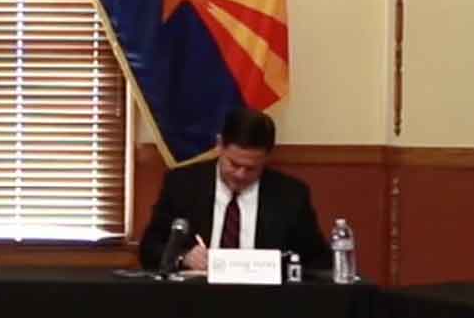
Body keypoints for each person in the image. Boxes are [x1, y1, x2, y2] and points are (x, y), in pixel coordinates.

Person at [139, 105, 330, 274]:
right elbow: (149, 249)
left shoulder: (290, 195)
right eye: (233, 164)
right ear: (220, 145)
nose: (240, 174)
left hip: (266, 302)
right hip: (196, 299)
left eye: (251, 168)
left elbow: (318, 261)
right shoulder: (183, 185)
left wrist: (278, 266)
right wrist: (184, 256)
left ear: (266, 158)